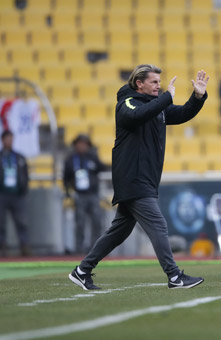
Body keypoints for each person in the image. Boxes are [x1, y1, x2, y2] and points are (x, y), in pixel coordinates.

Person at [69, 64, 209, 290]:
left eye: (159, 82)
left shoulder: (156, 107)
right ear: (139, 83)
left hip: (144, 179)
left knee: (118, 232)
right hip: (133, 178)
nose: (158, 86)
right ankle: (174, 276)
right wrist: (165, 99)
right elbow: (137, 115)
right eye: (153, 82)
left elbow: (182, 114)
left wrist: (198, 96)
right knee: (158, 225)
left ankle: (82, 270)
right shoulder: (127, 103)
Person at [63, 134, 106, 254]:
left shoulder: (92, 157)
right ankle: (79, 248)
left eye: (84, 144)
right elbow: (66, 178)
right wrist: (68, 192)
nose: (82, 146)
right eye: (80, 144)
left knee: (97, 221)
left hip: (93, 194)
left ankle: (96, 248)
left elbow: (103, 167)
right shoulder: (70, 159)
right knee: (80, 223)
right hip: (79, 195)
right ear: (75, 145)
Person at [0, 130, 30, 257]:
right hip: (2, 193)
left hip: (17, 194)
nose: (9, 141)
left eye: (11, 139)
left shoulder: (19, 157)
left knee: (21, 221)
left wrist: (23, 188)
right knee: (1, 222)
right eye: (7, 139)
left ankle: (24, 246)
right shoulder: (1, 157)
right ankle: (2, 246)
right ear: (3, 140)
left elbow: (26, 175)